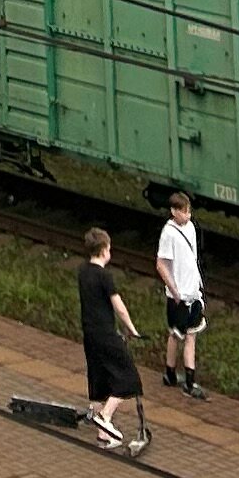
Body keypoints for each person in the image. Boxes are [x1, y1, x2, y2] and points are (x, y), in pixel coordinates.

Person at [77, 226, 153, 454]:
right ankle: (105, 417)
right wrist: (132, 329)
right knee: (129, 379)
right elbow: (118, 307)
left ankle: (105, 437)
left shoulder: (83, 271)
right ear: (103, 250)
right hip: (106, 334)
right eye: (109, 248)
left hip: (89, 334)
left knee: (100, 378)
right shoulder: (104, 276)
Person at [156, 189, 205, 395]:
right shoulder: (168, 234)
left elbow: (192, 258)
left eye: (189, 211)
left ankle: (190, 379)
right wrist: (174, 290)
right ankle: (170, 372)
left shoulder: (191, 228)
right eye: (184, 212)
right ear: (174, 212)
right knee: (176, 335)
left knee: (191, 335)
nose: (188, 215)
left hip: (193, 292)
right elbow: (161, 264)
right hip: (179, 295)